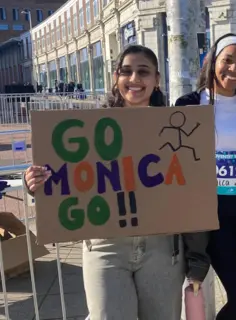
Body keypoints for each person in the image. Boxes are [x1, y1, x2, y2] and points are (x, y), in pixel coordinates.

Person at [23, 45, 210, 320]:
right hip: (105, 246)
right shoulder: (89, 130)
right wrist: (35, 185)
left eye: (143, 72)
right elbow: (67, 181)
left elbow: (190, 198)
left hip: (162, 250)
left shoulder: (177, 130)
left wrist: (197, 261)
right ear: (115, 77)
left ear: (157, 79)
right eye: (127, 71)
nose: (134, 79)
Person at [175, 33, 236, 320]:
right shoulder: (189, 103)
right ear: (212, 60)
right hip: (211, 215)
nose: (233, 69)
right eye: (228, 60)